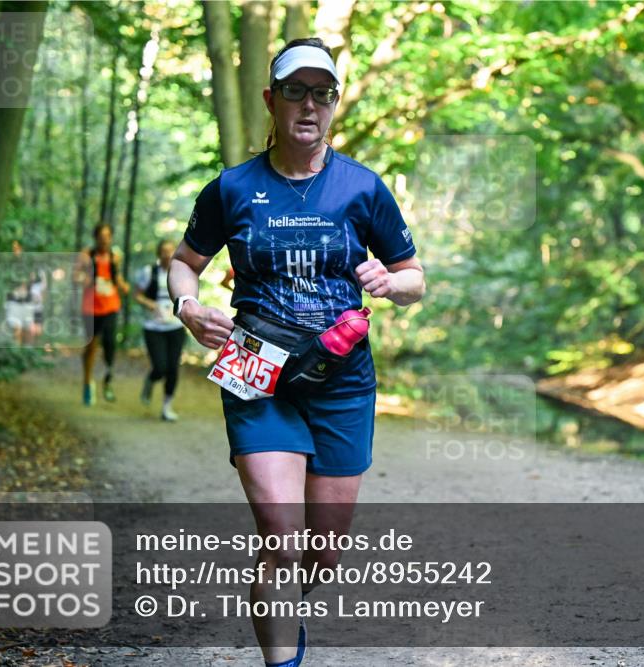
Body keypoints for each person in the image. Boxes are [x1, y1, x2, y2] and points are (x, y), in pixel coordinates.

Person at [169, 37, 425, 667]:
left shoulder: (363, 188)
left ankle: (285, 609)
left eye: (323, 93)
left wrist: (393, 285)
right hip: (256, 370)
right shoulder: (231, 189)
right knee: (282, 541)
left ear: (334, 104)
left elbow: (415, 276)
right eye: (295, 91)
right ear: (271, 100)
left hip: (340, 379)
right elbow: (185, 264)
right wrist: (188, 307)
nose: (309, 105)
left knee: (324, 552)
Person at [76, 223, 129, 405]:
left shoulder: (115, 257)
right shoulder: (87, 256)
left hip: (111, 306)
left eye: (107, 235)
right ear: (96, 237)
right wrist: (87, 278)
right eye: (101, 235)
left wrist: (123, 285)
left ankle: (107, 381)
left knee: (110, 345)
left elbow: (117, 278)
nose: (104, 239)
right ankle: (87, 383)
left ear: (111, 237)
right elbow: (75, 278)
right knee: (91, 347)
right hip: (90, 308)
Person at [134, 239, 186, 421]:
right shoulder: (149, 272)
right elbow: (137, 295)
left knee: (173, 368)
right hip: (153, 327)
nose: (167, 254)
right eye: (163, 251)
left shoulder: (181, 273)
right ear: (159, 254)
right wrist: (151, 304)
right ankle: (150, 380)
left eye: (170, 251)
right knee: (160, 366)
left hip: (176, 327)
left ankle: (166, 407)